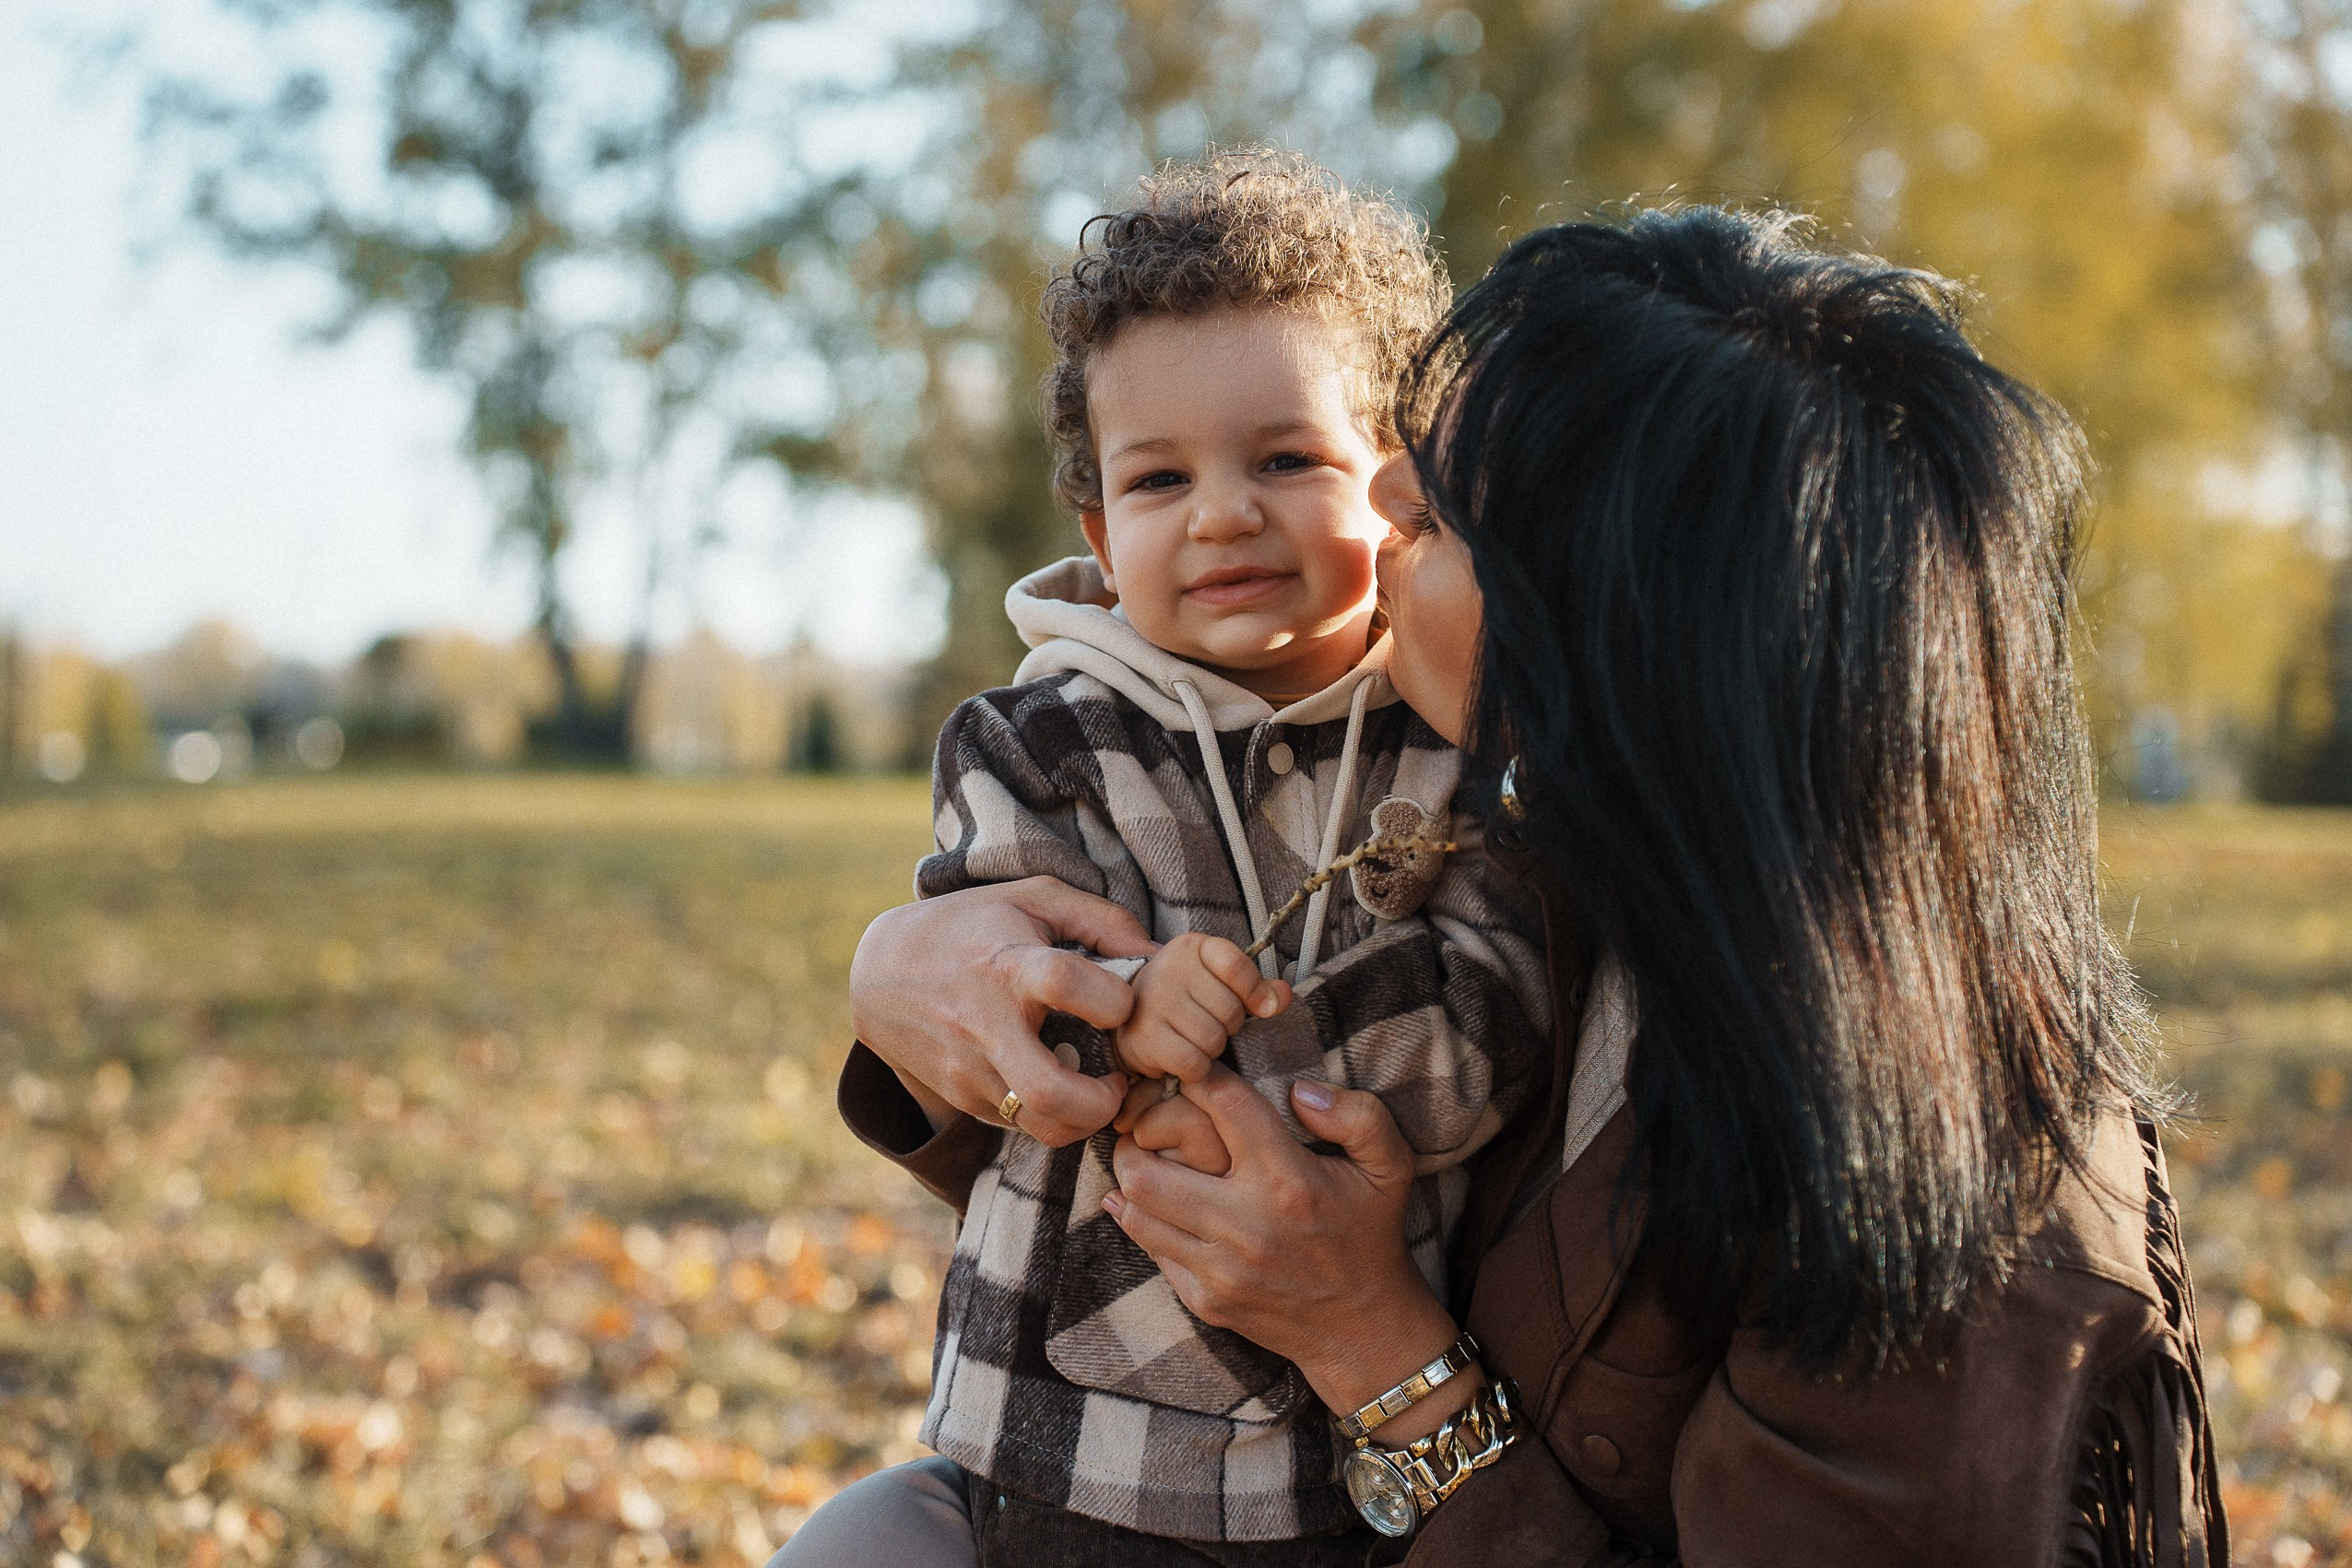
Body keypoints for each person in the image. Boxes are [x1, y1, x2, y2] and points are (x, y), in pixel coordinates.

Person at [825, 205, 2227, 1566]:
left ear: (1613, 633)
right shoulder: (1572, 859)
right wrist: (913, 973)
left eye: (1431, 514)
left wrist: (1380, 1350)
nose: (1363, 510)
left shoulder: (1965, 1198)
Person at [778, 150, 1553, 1565]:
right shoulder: (1036, 743)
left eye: (1285, 459)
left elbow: (1498, 1003)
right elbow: (989, 1003)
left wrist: (1275, 1049)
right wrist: (1118, 1000)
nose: (1221, 513)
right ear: (1099, 530)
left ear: (1393, 482)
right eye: (1159, 477)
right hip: (1077, 1437)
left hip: (1358, 1464)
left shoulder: (1447, 741)